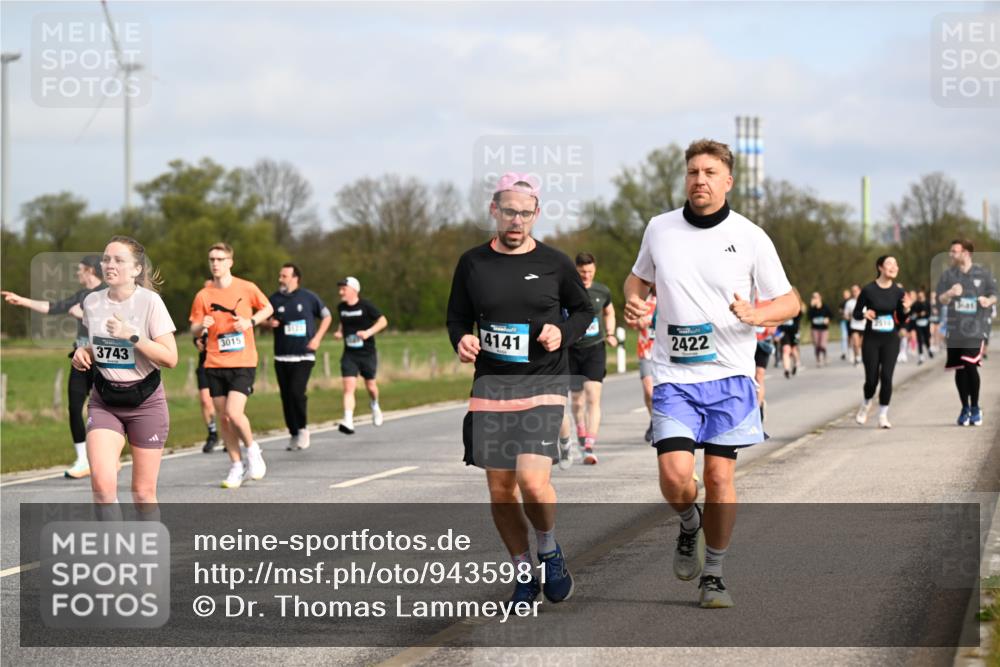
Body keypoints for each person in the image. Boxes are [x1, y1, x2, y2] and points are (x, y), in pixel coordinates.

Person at [623, 139, 798, 609]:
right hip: (674, 376)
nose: (699, 180)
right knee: (674, 477)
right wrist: (635, 299)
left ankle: (715, 574)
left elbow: (790, 301)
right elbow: (639, 277)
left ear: (728, 181)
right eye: (693, 172)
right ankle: (689, 522)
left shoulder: (751, 236)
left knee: (719, 479)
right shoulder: (660, 228)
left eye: (709, 172)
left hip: (730, 376)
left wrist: (758, 314)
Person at [447, 172, 593, 606]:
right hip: (492, 386)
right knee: (500, 490)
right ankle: (523, 572)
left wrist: (562, 333)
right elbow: (457, 316)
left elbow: (583, 311)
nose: (517, 220)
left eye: (525, 214)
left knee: (531, 481)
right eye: (509, 211)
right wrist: (461, 339)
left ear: (536, 214)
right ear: (494, 210)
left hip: (543, 381)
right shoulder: (472, 263)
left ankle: (548, 548)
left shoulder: (555, 263)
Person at [70, 236, 177, 517]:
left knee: (142, 494)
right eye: (106, 259)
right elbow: (98, 345)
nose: (110, 265)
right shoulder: (92, 302)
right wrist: (83, 352)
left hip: (146, 403)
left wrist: (132, 335)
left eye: (119, 260)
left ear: (136, 269)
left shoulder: (150, 302)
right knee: (102, 489)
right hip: (105, 402)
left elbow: (170, 358)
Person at [3, 256, 105, 478]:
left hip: (103, 361)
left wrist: (82, 315)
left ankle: (106, 457)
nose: (77, 273)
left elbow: (109, 324)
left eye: (80, 270)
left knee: (103, 410)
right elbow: (53, 307)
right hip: (80, 359)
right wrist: (22, 300)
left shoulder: (107, 293)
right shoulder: (80, 295)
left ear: (90, 270)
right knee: (74, 408)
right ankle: (82, 459)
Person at [189, 243, 273, 488]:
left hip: (243, 361)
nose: (215, 263)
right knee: (223, 418)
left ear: (230, 262)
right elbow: (194, 327)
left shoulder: (246, 287)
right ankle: (236, 465)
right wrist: (201, 325)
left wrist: (250, 322)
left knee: (234, 413)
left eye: (220, 259)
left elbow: (268, 308)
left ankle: (253, 450)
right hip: (215, 362)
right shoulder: (203, 295)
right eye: (212, 259)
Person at [267, 263, 333, 451]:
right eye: (280, 276)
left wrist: (317, 338)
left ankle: (303, 429)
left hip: (304, 355)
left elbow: (327, 317)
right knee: (286, 396)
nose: (280, 279)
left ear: (295, 278)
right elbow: (263, 318)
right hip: (282, 356)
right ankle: (293, 432)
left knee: (297, 392)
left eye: (284, 276)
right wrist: (268, 323)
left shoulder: (309, 297)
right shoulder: (274, 299)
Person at [560, 252, 617, 465]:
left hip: (595, 349)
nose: (586, 275)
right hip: (572, 350)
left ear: (595, 270)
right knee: (577, 401)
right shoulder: (567, 290)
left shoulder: (602, 291)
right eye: (582, 271)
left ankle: (589, 446)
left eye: (590, 271)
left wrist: (610, 333)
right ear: (576, 270)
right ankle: (581, 434)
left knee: (593, 396)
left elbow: (609, 312)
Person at [936, 239, 998, 426]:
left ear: (966, 253)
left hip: (975, 329)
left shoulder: (983, 273)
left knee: (970, 364)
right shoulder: (948, 275)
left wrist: (988, 301)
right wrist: (949, 293)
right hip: (955, 329)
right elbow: (940, 299)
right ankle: (965, 408)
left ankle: (976, 408)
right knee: (960, 369)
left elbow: (995, 294)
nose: (951, 254)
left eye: (954, 251)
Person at [853, 256, 912, 429]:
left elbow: (901, 318)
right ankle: (866, 404)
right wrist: (864, 314)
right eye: (889, 263)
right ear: (880, 267)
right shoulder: (868, 290)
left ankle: (883, 415)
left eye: (896, 264)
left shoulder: (899, 292)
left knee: (886, 377)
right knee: (871, 380)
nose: (894, 267)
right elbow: (856, 313)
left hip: (890, 340)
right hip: (871, 339)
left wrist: (906, 309)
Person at [333, 277, 388, 435]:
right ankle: (348, 421)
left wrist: (368, 332)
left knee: (371, 387)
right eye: (340, 289)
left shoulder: (366, 306)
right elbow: (343, 322)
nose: (340, 292)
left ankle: (375, 404)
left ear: (354, 290)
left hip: (367, 353)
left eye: (344, 289)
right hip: (350, 354)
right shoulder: (341, 307)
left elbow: (383, 321)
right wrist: (339, 332)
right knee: (349, 387)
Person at [632, 292, 658, 443]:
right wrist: (637, 322)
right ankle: (655, 421)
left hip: (665, 353)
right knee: (649, 391)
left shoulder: (670, 295)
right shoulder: (641, 299)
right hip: (646, 351)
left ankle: (658, 423)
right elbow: (630, 319)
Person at [778, 291, 804, 379]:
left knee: (793, 350)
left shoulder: (797, 309)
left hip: (794, 333)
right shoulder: (780, 308)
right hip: (784, 332)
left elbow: (796, 324)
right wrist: (778, 333)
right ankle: (787, 370)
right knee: (786, 349)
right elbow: (777, 322)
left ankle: (796, 363)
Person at [807, 292, 833, 367]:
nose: (815, 299)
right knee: (817, 345)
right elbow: (808, 317)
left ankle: (825, 355)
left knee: (822, 345)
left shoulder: (825, 307)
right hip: (815, 328)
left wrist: (828, 319)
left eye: (816, 297)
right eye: (814, 297)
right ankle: (818, 360)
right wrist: (811, 307)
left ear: (820, 298)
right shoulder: (812, 308)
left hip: (824, 328)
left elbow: (831, 315)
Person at [911, 289, 933, 365]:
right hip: (918, 323)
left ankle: (929, 349)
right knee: (919, 340)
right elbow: (912, 314)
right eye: (919, 296)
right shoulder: (915, 304)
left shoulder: (927, 303)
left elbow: (930, 313)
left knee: (927, 338)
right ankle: (921, 356)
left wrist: (926, 314)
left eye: (921, 296)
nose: (920, 297)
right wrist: (919, 314)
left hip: (926, 323)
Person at [846, 284, 865, 366]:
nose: (855, 293)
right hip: (854, 326)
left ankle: (860, 356)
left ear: (860, 291)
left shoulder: (866, 301)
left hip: (864, 326)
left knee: (861, 344)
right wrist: (849, 317)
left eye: (856, 291)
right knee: (856, 343)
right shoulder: (849, 303)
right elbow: (846, 315)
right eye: (853, 291)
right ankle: (857, 358)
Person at [838, 288, 851, 361]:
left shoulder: (852, 302)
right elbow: (840, 311)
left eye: (846, 294)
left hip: (851, 322)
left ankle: (851, 351)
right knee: (844, 337)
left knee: (850, 337)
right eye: (844, 294)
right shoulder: (842, 303)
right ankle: (844, 352)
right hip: (843, 321)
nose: (845, 295)